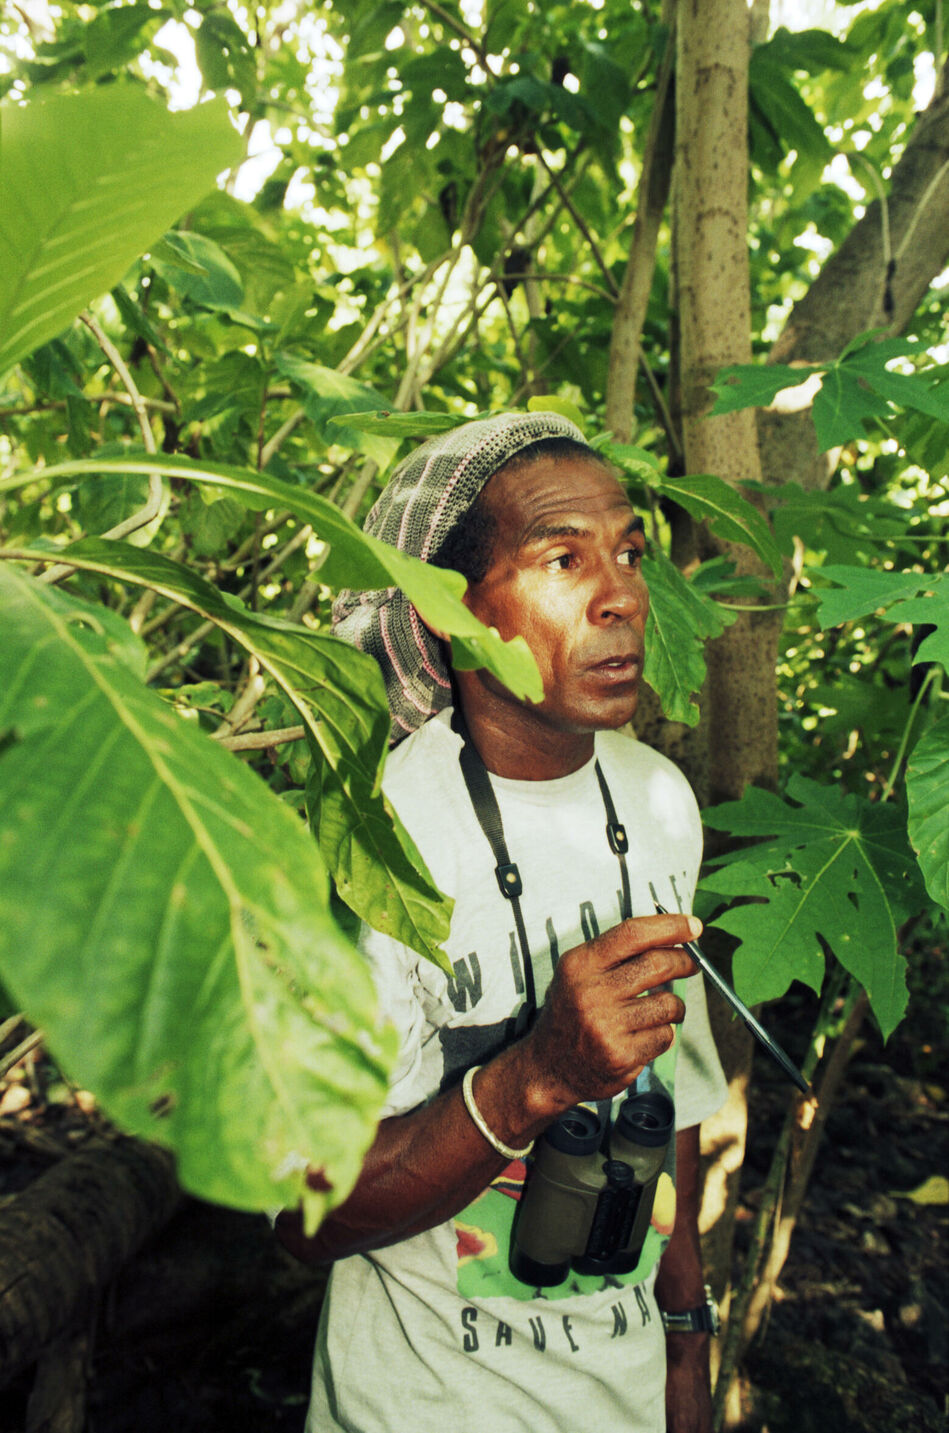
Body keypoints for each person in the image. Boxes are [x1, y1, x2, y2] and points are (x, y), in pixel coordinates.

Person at [277, 411, 727, 1433]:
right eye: (562, 559)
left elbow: (681, 1096)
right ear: (448, 611)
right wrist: (538, 1075)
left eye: (626, 551)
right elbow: (303, 1214)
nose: (622, 594)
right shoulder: (375, 837)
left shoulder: (658, 798)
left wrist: (685, 1342)